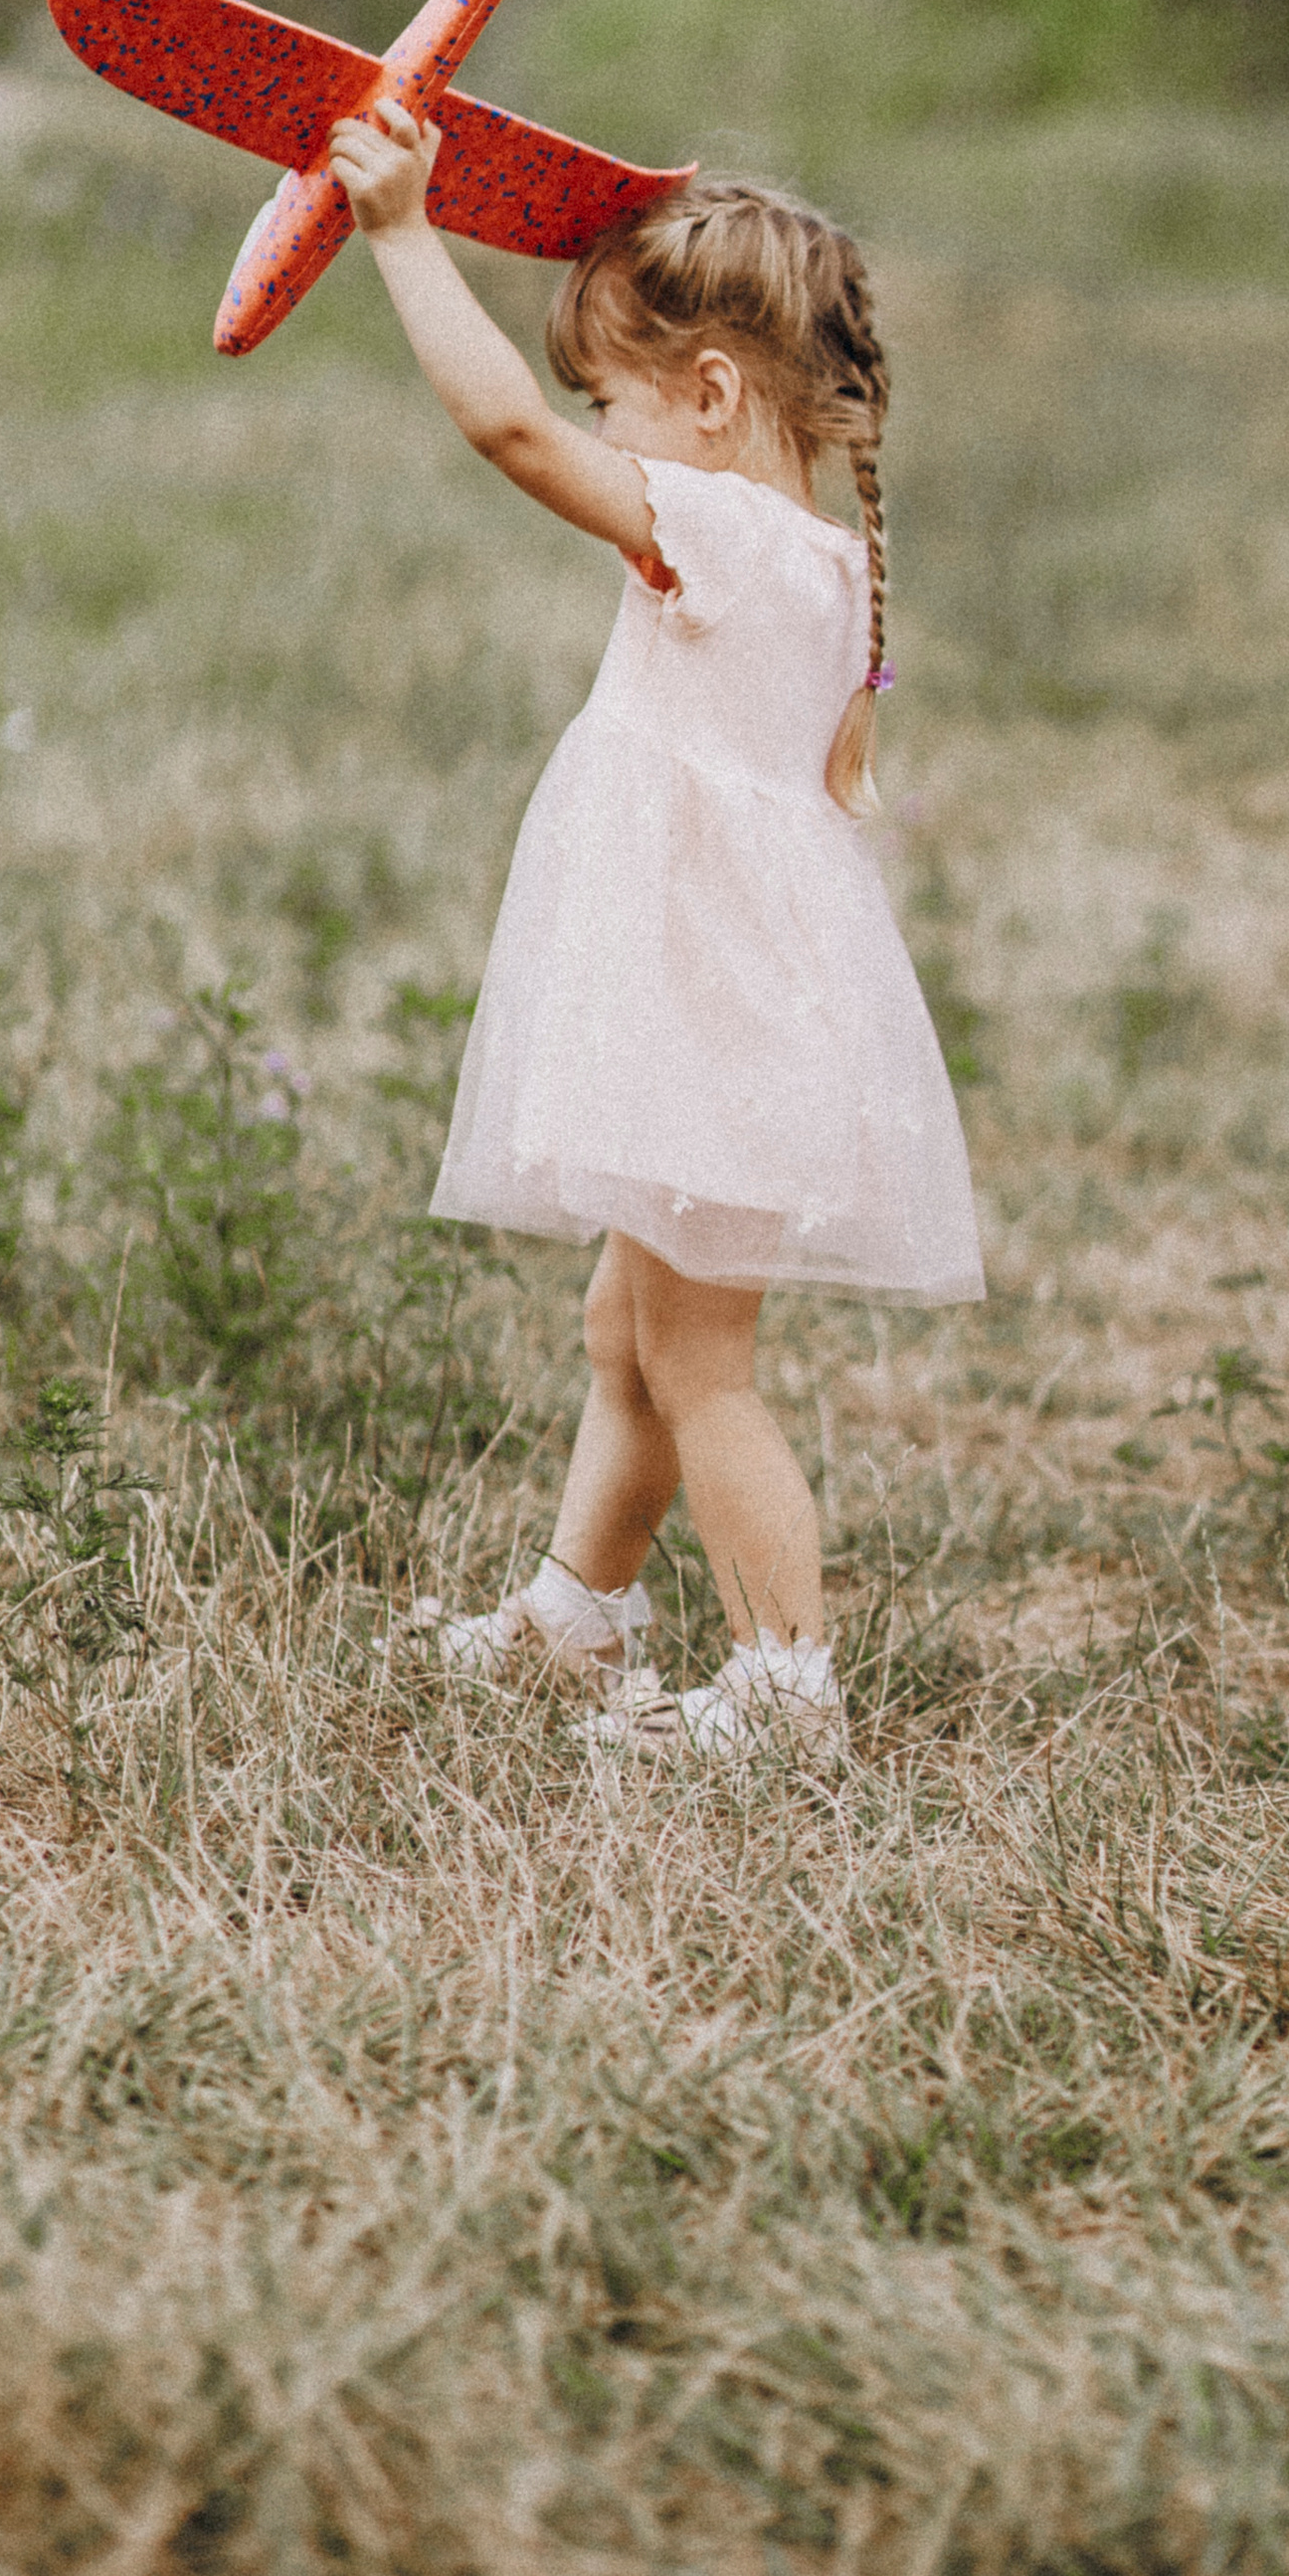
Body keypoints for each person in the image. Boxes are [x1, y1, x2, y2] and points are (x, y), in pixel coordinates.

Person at [330, 104, 984, 1764]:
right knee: (629, 1334)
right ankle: (576, 1612)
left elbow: (504, 437)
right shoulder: (822, 559)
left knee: (703, 1369)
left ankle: (785, 1689)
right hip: (716, 1021)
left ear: (710, 398)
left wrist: (406, 234)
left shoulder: (728, 536)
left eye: (613, 398)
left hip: (713, 1033)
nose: (592, 429)